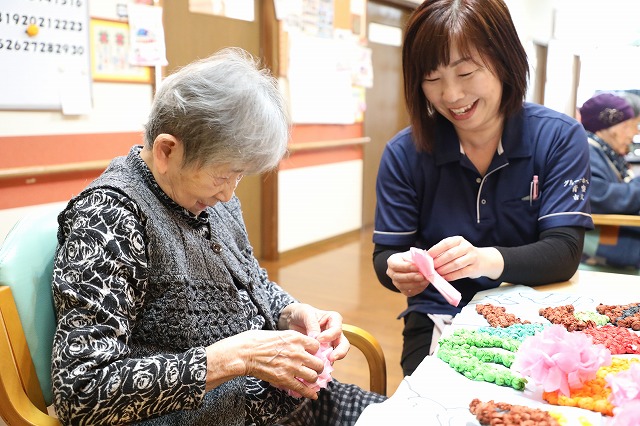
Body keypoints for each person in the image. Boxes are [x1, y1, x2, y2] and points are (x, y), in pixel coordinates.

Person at [50, 47, 385, 425]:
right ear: (166, 150)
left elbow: (251, 280)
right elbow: (82, 391)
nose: (228, 194)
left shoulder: (209, 199)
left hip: (281, 402)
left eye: (238, 176)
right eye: (222, 175)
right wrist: (234, 358)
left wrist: (290, 312)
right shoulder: (109, 217)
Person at [372, 0, 593, 377]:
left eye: (466, 72)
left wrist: (483, 260)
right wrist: (397, 270)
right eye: (432, 77)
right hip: (439, 316)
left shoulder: (558, 137)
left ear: (504, 60)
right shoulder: (404, 153)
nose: (452, 95)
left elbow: (564, 251)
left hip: (537, 313)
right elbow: (386, 255)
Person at [579, 92, 640, 268]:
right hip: (598, 242)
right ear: (611, 126)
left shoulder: (605, 154)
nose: (635, 132)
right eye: (630, 125)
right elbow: (599, 196)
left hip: (611, 235)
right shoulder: (587, 151)